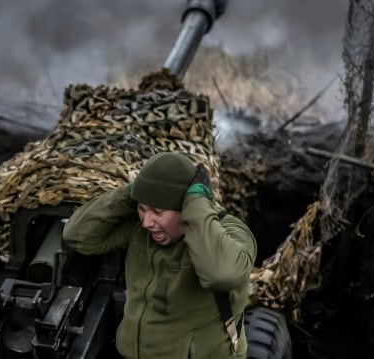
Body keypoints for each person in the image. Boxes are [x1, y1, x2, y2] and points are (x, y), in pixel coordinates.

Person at [62, 151, 257, 359]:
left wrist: (196, 204)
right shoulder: (141, 230)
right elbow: (77, 236)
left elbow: (222, 275)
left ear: (186, 206)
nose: (147, 222)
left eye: (157, 211)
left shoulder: (232, 232)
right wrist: (133, 193)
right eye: (142, 208)